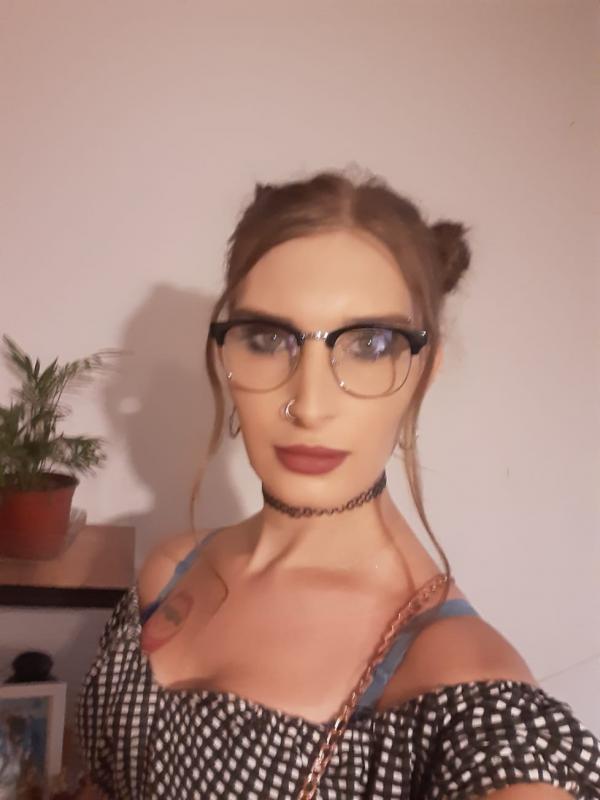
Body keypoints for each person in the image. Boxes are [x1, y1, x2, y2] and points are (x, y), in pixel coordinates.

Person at [77, 171, 600, 799]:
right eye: (267, 339)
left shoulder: (451, 669)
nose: (309, 404)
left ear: (423, 371)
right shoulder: (170, 571)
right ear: (226, 355)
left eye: (370, 344)